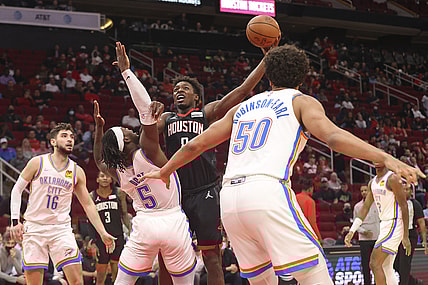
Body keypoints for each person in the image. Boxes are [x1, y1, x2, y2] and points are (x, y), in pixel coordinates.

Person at [142, 44, 424, 285]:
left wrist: (165, 171)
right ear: (302, 77)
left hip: (229, 200)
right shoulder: (301, 101)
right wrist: (385, 157)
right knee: (315, 272)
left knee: (262, 279)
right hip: (266, 190)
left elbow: (196, 145)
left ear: (269, 78)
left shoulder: (243, 108)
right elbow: (334, 137)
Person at [116, 40, 272, 285]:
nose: (179, 90)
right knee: (168, 259)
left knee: (212, 258)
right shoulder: (165, 118)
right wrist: (144, 101)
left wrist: (266, 60)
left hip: (205, 191)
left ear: (196, 97)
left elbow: (241, 91)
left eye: (185, 88)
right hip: (174, 197)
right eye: (176, 88)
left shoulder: (206, 113)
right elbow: (142, 133)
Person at [93, 69, 196, 285]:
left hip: (144, 225)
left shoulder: (118, 172)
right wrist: (126, 72)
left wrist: (99, 129)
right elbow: (145, 108)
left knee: (123, 280)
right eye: (125, 130)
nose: (130, 129)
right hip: (172, 221)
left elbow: (98, 160)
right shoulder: (147, 151)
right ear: (127, 140)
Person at [9, 123, 116, 285]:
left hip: (61, 230)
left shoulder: (76, 171)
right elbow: (16, 190)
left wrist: (102, 232)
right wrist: (15, 221)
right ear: (53, 141)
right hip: (35, 228)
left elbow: (88, 204)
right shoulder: (37, 163)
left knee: (76, 282)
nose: (70, 140)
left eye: (72, 137)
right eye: (64, 136)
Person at [345, 164, 411, 285]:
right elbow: (365, 208)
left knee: (374, 263)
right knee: (386, 266)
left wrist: (406, 235)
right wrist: (352, 230)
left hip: (394, 222)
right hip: (384, 224)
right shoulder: (372, 183)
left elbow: (404, 206)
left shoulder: (392, 179)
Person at [89, 171, 131, 285]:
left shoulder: (119, 193)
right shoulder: (91, 196)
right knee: (101, 272)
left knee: (116, 270)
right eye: (102, 176)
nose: (105, 178)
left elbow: (124, 214)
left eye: (107, 176)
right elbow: (90, 220)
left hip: (117, 236)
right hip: (100, 238)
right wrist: (92, 240)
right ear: (97, 179)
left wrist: (131, 232)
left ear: (111, 179)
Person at [393, 185, 427, 285]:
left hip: (410, 235)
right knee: (394, 264)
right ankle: (413, 281)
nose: (404, 191)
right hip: (396, 235)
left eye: (407, 189)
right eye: (402, 189)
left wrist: (424, 240)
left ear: (411, 191)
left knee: (404, 264)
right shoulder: (394, 203)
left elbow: (421, 223)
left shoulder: (415, 204)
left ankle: (404, 283)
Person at [353, 185, 380, 285]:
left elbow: (380, 220)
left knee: (377, 264)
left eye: (365, 190)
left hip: (376, 238)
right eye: (362, 191)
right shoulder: (357, 206)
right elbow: (355, 224)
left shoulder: (377, 204)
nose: (364, 192)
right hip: (364, 239)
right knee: (366, 264)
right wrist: (364, 232)